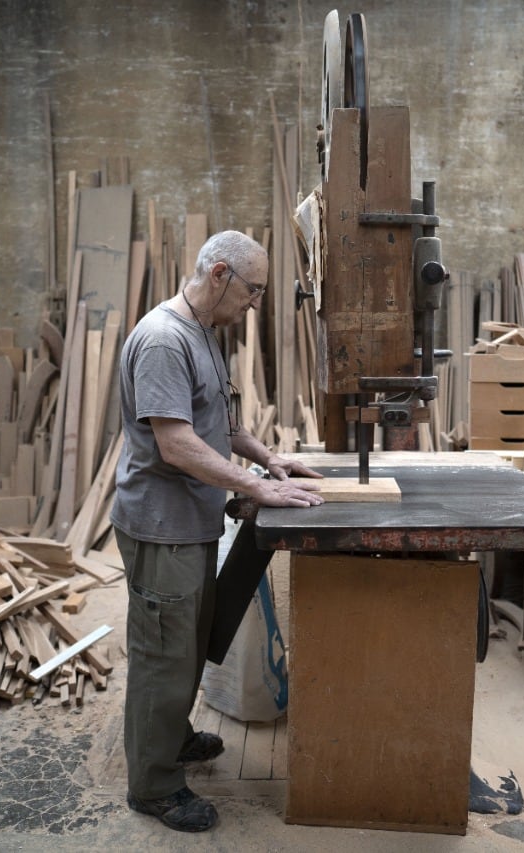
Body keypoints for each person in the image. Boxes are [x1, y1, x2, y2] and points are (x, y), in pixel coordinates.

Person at [110, 229, 324, 832]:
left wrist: (268, 459)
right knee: (163, 653)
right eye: (253, 290)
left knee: (187, 643)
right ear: (221, 274)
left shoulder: (204, 334)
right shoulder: (161, 340)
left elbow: (217, 425)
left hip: (191, 520)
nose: (255, 303)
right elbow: (176, 444)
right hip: (161, 525)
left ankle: (170, 737)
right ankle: (153, 787)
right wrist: (257, 489)